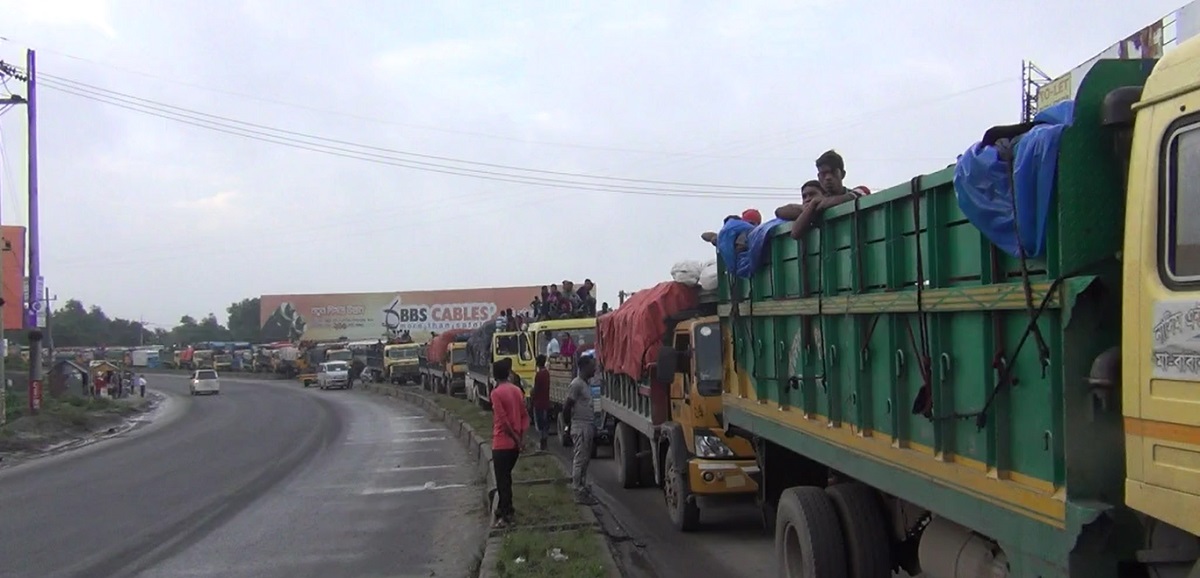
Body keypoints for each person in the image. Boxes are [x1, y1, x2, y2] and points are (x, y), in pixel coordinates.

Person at [489, 358, 528, 528]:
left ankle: (506, 515)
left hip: (502, 443)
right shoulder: (517, 390)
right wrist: (521, 438)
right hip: (514, 447)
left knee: (502, 481)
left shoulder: (496, 393)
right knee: (506, 479)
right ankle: (503, 510)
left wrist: (515, 437)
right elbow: (525, 416)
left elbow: (503, 421)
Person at [562, 355, 598, 504]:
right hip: (580, 426)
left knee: (585, 460)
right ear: (584, 368)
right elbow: (567, 406)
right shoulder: (576, 384)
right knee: (579, 460)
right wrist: (567, 425)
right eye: (592, 366)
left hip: (587, 425)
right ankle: (577, 490)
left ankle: (582, 487)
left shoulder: (585, 384)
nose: (594, 369)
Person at [531, 354, 551, 451]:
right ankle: (544, 443)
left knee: (539, 424)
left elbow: (536, 389)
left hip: (538, 402)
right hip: (546, 402)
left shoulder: (539, 375)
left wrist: (531, 396)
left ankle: (542, 443)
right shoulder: (547, 373)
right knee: (544, 423)